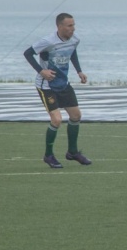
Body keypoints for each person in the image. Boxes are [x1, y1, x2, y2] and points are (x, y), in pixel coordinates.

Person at [23, 13, 91, 169]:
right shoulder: (48, 41)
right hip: (47, 86)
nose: (73, 28)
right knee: (57, 120)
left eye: (73, 25)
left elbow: (72, 52)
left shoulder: (75, 39)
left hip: (63, 84)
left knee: (76, 116)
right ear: (59, 26)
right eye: (69, 26)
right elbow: (28, 53)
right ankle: (48, 155)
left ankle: (72, 152)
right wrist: (42, 71)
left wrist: (79, 71)